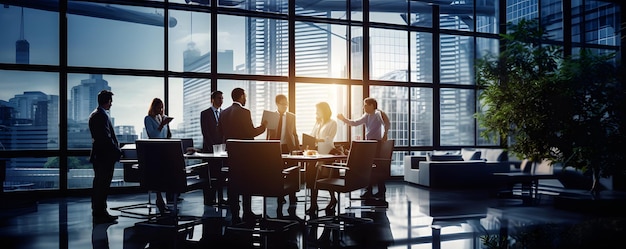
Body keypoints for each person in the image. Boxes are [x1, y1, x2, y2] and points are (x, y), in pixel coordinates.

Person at [218, 87, 267, 222]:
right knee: (247, 182)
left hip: (230, 154)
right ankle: (247, 211)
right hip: (246, 155)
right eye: (244, 96)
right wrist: (263, 127)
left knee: (233, 182)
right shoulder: (245, 112)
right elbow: (251, 132)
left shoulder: (224, 113)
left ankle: (234, 213)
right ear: (240, 97)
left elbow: (219, 132)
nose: (245, 99)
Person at [337, 97, 390, 199]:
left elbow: (386, 122)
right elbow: (355, 123)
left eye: (365, 105)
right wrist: (343, 119)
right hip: (369, 143)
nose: (363, 107)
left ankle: (380, 190)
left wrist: (385, 133)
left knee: (376, 167)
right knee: (368, 168)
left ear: (372, 106)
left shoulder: (378, 113)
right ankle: (369, 190)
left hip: (376, 144)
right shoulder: (367, 115)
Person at [89, 90, 121, 224]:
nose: (111, 104)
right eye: (110, 101)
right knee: (102, 185)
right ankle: (100, 213)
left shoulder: (96, 114)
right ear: (107, 101)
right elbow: (106, 139)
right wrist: (117, 152)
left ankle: (99, 211)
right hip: (104, 156)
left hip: (100, 156)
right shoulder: (100, 116)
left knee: (100, 185)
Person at [266, 94, 301, 208]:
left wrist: (298, 148)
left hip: (288, 147)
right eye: (283, 104)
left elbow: (294, 133)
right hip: (275, 147)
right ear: (277, 104)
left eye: (287, 104)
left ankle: (292, 196)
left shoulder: (291, 116)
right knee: (278, 172)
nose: (285, 106)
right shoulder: (271, 116)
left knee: (292, 172)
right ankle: (280, 196)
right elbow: (269, 134)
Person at [143, 98, 174, 214]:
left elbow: (165, 135)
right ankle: (159, 200)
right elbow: (153, 135)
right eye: (158, 107)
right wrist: (162, 125)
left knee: (165, 175)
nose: (160, 109)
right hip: (155, 150)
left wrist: (166, 125)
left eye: (162, 107)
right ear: (153, 107)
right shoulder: (148, 119)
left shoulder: (161, 118)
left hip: (164, 149)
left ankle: (165, 200)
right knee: (158, 176)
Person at [307, 101, 338, 215]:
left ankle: (333, 198)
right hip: (316, 154)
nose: (316, 113)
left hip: (327, 154)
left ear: (324, 111)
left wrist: (319, 140)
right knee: (311, 177)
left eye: (318, 111)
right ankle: (313, 204)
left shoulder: (332, 123)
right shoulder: (318, 123)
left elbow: (329, 139)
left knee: (327, 179)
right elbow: (312, 136)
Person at [200, 91, 226, 206]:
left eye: (222, 98)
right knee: (209, 175)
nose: (221, 100)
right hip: (209, 150)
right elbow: (205, 132)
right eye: (219, 98)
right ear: (213, 99)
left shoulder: (224, 113)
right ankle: (209, 199)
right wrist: (212, 148)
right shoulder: (205, 113)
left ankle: (221, 198)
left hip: (221, 149)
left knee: (220, 175)